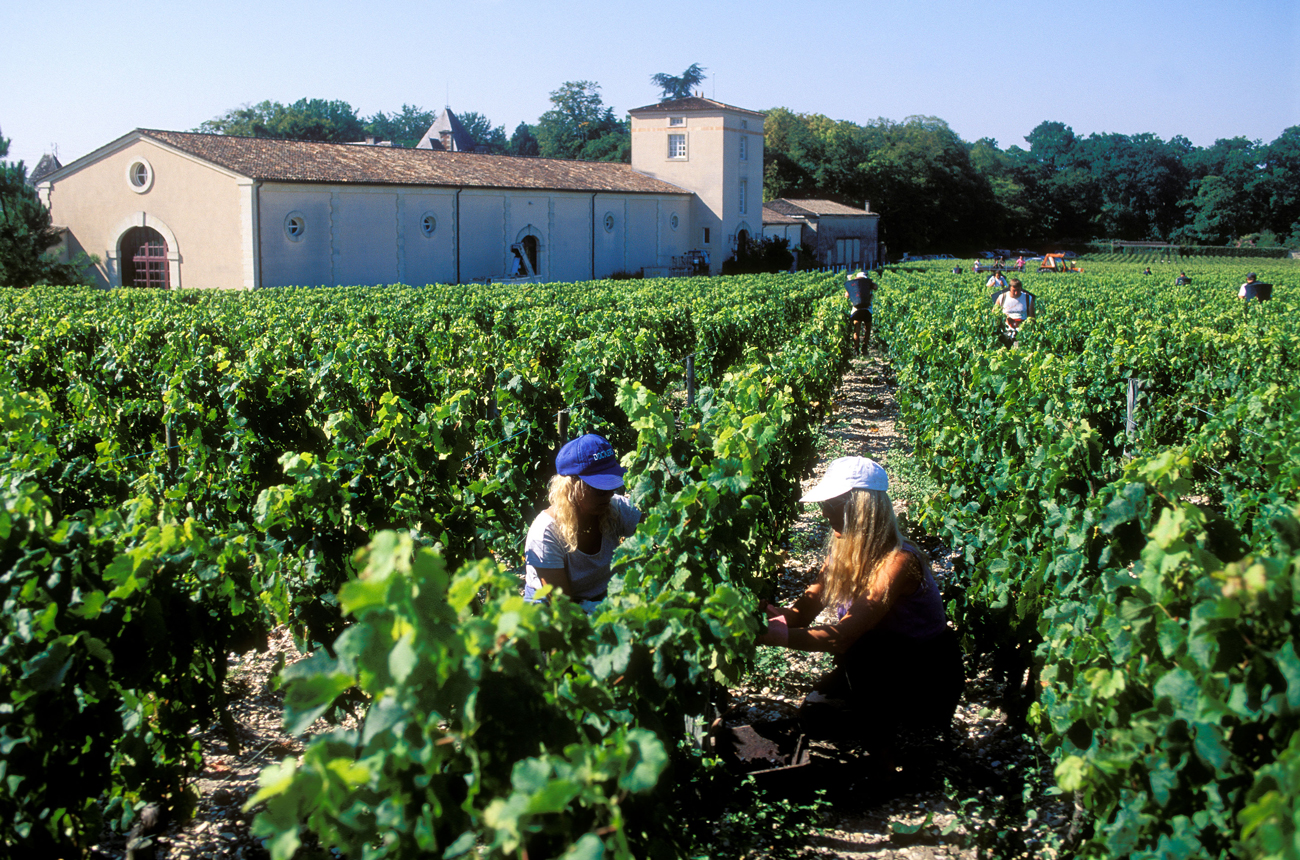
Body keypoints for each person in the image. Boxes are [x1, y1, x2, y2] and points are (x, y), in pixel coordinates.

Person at [757, 457, 964, 768]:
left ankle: (889, 764)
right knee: (816, 717)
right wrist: (761, 616)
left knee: (865, 650)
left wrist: (776, 637)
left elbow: (843, 638)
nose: (824, 511)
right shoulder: (843, 554)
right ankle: (890, 727)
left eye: (833, 503)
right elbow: (800, 614)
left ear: (861, 508)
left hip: (926, 674)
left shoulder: (899, 562)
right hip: (885, 667)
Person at [524, 434, 641, 612]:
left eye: (611, 486)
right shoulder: (545, 533)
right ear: (571, 486)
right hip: (552, 609)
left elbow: (661, 524)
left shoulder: (614, 508)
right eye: (599, 489)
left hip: (601, 601)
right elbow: (562, 607)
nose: (609, 494)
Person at [845, 271, 876, 355]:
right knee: (868, 329)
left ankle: (856, 349)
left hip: (856, 309)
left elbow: (846, 295)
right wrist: (870, 282)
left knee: (856, 329)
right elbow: (876, 287)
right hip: (867, 309)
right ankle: (864, 348)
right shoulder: (868, 285)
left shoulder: (855, 286)